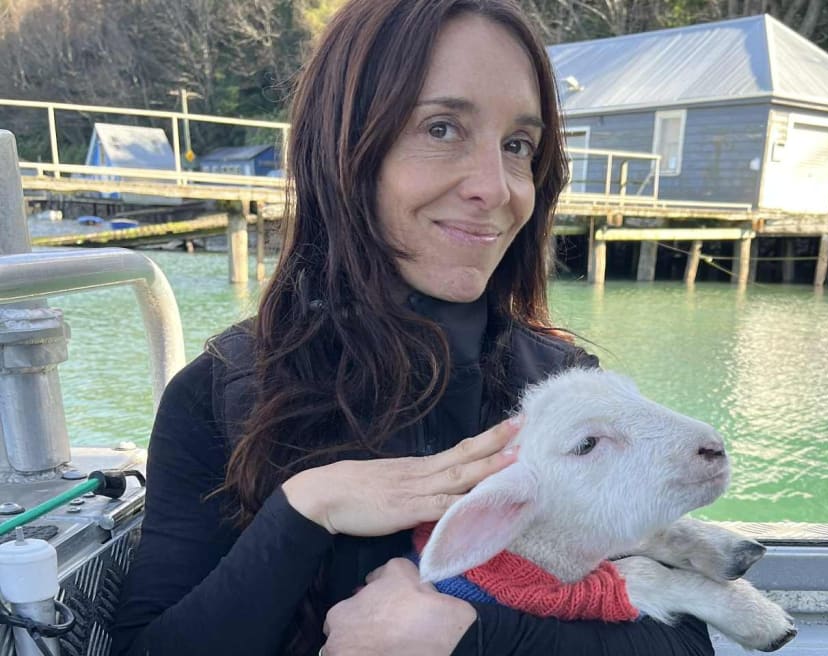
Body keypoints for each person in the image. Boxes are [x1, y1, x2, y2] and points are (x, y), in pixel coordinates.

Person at [110, 1, 716, 654]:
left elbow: (686, 641)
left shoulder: (567, 392)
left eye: (517, 146)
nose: (496, 187)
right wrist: (307, 509)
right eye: (442, 128)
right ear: (343, 150)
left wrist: (473, 637)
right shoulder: (218, 395)